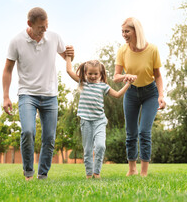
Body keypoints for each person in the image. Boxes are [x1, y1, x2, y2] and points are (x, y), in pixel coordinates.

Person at [2, 7, 74, 181]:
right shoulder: (16, 41)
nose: (45, 29)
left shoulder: (54, 37)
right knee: (27, 131)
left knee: (49, 137)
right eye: (41, 27)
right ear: (29, 24)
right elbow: (8, 69)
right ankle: (28, 173)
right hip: (27, 94)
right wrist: (6, 96)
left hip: (50, 95)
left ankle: (42, 175)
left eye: (46, 25)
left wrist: (71, 55)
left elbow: (67, 57)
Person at [114, 17, 166, 177]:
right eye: (122, 31)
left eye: (127, 31)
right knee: (131, 132)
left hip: (150, 93)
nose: (124, 34)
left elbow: (157, 75)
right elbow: (115, 76)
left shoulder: (152, 49)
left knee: (144, 131)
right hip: (131, 93)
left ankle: (143, 172)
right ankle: (132, 169)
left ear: (136, 31)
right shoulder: (123, 50)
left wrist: (161, 96)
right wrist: (125, 76)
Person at [66, 56, 131, 179]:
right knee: (88, 149)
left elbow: (117, 95)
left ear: (100, 73)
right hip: (86, 121)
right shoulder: (82, 83)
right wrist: (68, 57)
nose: (93, 76)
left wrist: (128, 84)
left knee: (101, 146)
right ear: (85, 73)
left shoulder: (103, 86)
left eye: (96, 74)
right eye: (90, 73)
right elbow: (69, 71)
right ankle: (89, 174)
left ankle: (97, 172)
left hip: (99, 121)